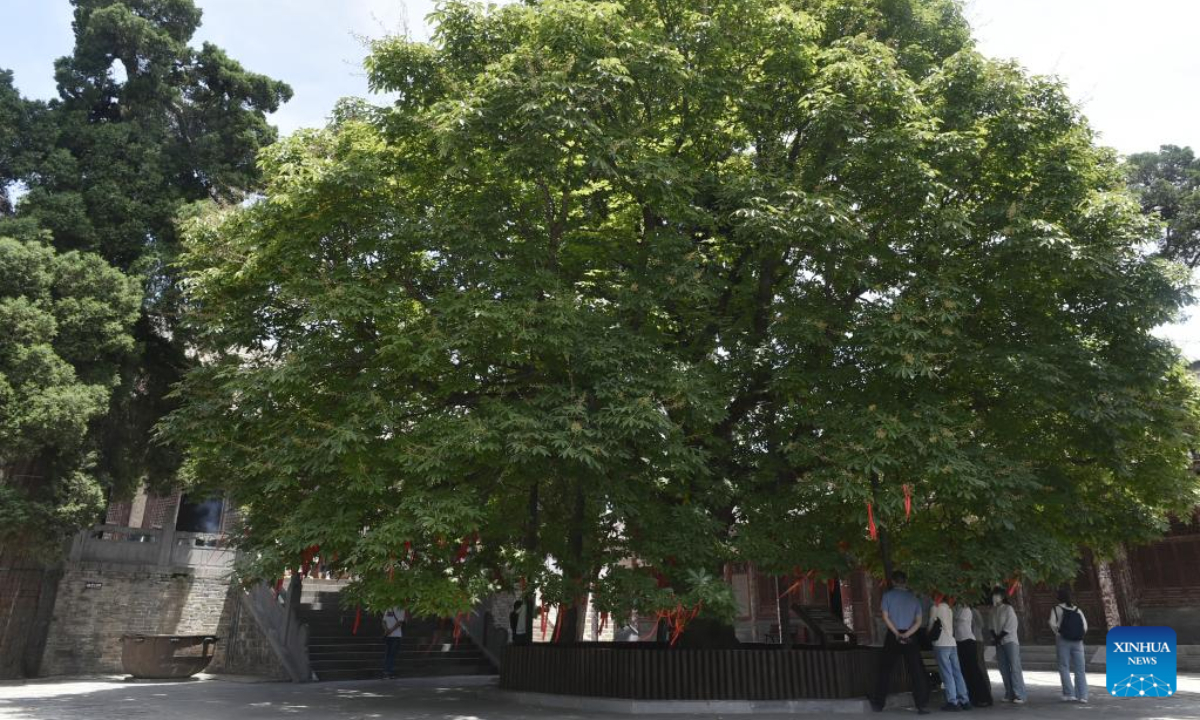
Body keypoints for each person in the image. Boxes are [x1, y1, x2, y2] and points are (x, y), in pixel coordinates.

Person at [871, 571, 931, 714]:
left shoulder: (887, 596)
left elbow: (885, 617)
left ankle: (879, 703)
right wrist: (907, 634)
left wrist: (897, 633)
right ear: (906, 581)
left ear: (893, 581)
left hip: (893, 635)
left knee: (885, 669)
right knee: (916, 670)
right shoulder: (913, 598)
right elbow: (918, 621)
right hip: (911, 636)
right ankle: (921, 704)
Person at [1049, 585, 1089, 703]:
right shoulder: (1077, 609)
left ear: (1059, 597)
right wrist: (1078, 635)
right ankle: (1082, 695)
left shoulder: (1056, 609)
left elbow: (1052, 623)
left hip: (1063, 640)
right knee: (1080, 669)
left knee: (1064, 667)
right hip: (1078, 641)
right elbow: (1085, 626)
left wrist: (1058, 632)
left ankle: (1069, 693)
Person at [930, 594, 970, 711]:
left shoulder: (935, 608)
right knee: (957, 672)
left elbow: (930, 625)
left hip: (941, 644)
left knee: (947, 673)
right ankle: (964, 700)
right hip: (952, 643)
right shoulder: (949, 609)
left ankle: (952, 701)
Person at [989, 587, 1026, 704]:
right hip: (999, 643)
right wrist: (995, 638)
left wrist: (999, 637)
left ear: (1002, 596)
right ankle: (1009, 693)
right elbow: (990, 626)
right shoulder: (993, 610)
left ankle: (1019, 694)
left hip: (1010, 641)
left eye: (997, 594)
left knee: (1015, 667)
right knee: (1003, 669)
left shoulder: (1008, 609)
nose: (994, 597)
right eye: (993, 595)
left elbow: (1010, 625)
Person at [955, 598, 993, 707]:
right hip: (960, 642)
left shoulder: (967, 610)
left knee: (974, 671)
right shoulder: (957, 608)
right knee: (965, 671)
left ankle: (984, 697)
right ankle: (973, 697)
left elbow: (957, 621)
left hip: (968, 641)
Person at [382, 606, 407, 678]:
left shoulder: (388, 608)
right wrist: (391, 630)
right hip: (396, 635)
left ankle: (386, 671)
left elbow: (383, 621)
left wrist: (387, 631)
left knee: (388, 654)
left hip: (388, 635)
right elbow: (400, 622)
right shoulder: (401, 608)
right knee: (392, 655)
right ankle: (389, 672)